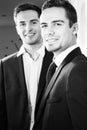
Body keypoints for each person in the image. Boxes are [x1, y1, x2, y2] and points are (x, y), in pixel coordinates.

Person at [33, 0, 87, 130]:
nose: (48, 32)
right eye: (44, 25)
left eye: (57, 24)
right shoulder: (59, 67)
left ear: (75, 28)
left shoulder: (79, 69)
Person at [0, 2, 53, 130]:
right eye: (22, 24)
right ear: (17, 28)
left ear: (42, 25)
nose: (28, 28)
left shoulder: (58, 60)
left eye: (33, 22)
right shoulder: (4, 65)